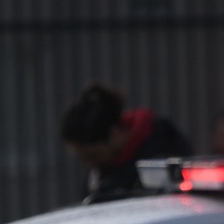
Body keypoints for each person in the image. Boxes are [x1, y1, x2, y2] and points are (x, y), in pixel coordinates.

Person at [59, 83, 192, 202]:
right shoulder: (100, 171)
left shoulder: (163, 156)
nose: (88, 164)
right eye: (82, 158)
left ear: (114, 134)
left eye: (92, 155)